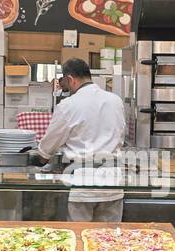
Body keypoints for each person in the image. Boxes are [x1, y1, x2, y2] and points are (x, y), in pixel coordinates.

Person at [37, 58, 126, 222]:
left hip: (82, 183)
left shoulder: (68, 105)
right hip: (112, 182)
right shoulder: (116, 101)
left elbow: (47, 148)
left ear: (70, 79)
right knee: (109, 239)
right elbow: (120, 136)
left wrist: (41, 156)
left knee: (79, 236)